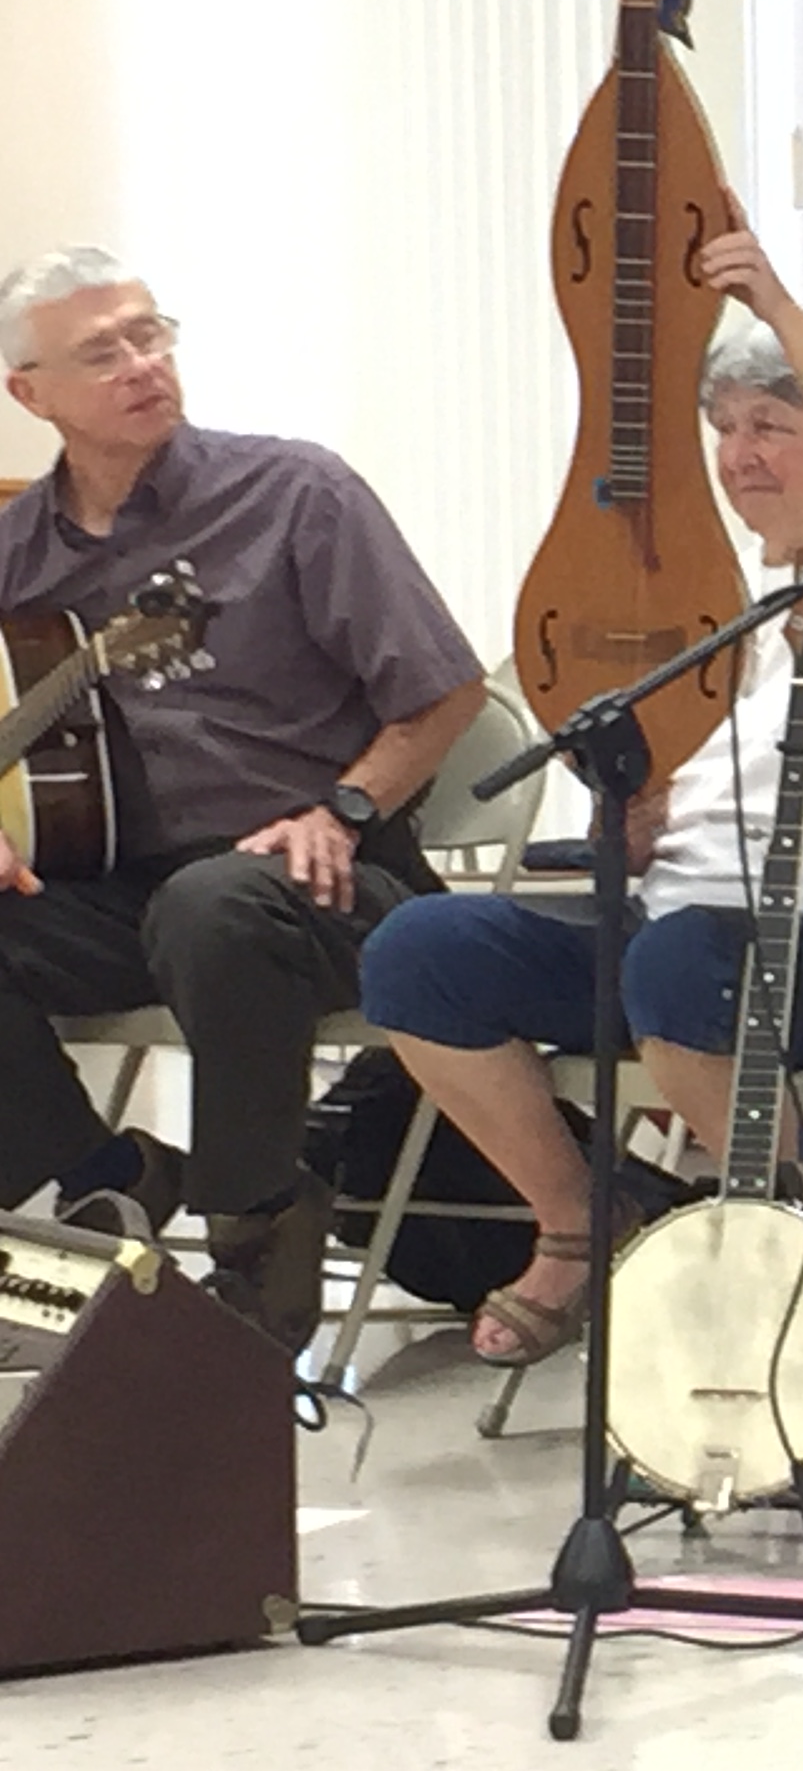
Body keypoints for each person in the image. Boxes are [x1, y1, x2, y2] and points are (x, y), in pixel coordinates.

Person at [357, 235, 803, 1366]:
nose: (741, 455)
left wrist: (780, 310)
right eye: (727, 430)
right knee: (421, 951)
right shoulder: (713, 597)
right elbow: (663, 818)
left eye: (775, 424)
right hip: (688, 949)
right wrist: (635, 824)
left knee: (686, 961)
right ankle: (581, 1220)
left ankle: (788, 1267)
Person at [0, 246, 485, 1353]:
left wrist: (346, 811)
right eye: (101, 352)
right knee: (176, 906)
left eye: (149, 334)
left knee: (213, 907)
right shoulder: (16, 554)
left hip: (327, 877)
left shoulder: (294, 492)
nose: (140, 365)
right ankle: (104, 1173)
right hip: (119, 888)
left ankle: (254, 1228)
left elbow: (445, 691)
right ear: (31, 395)